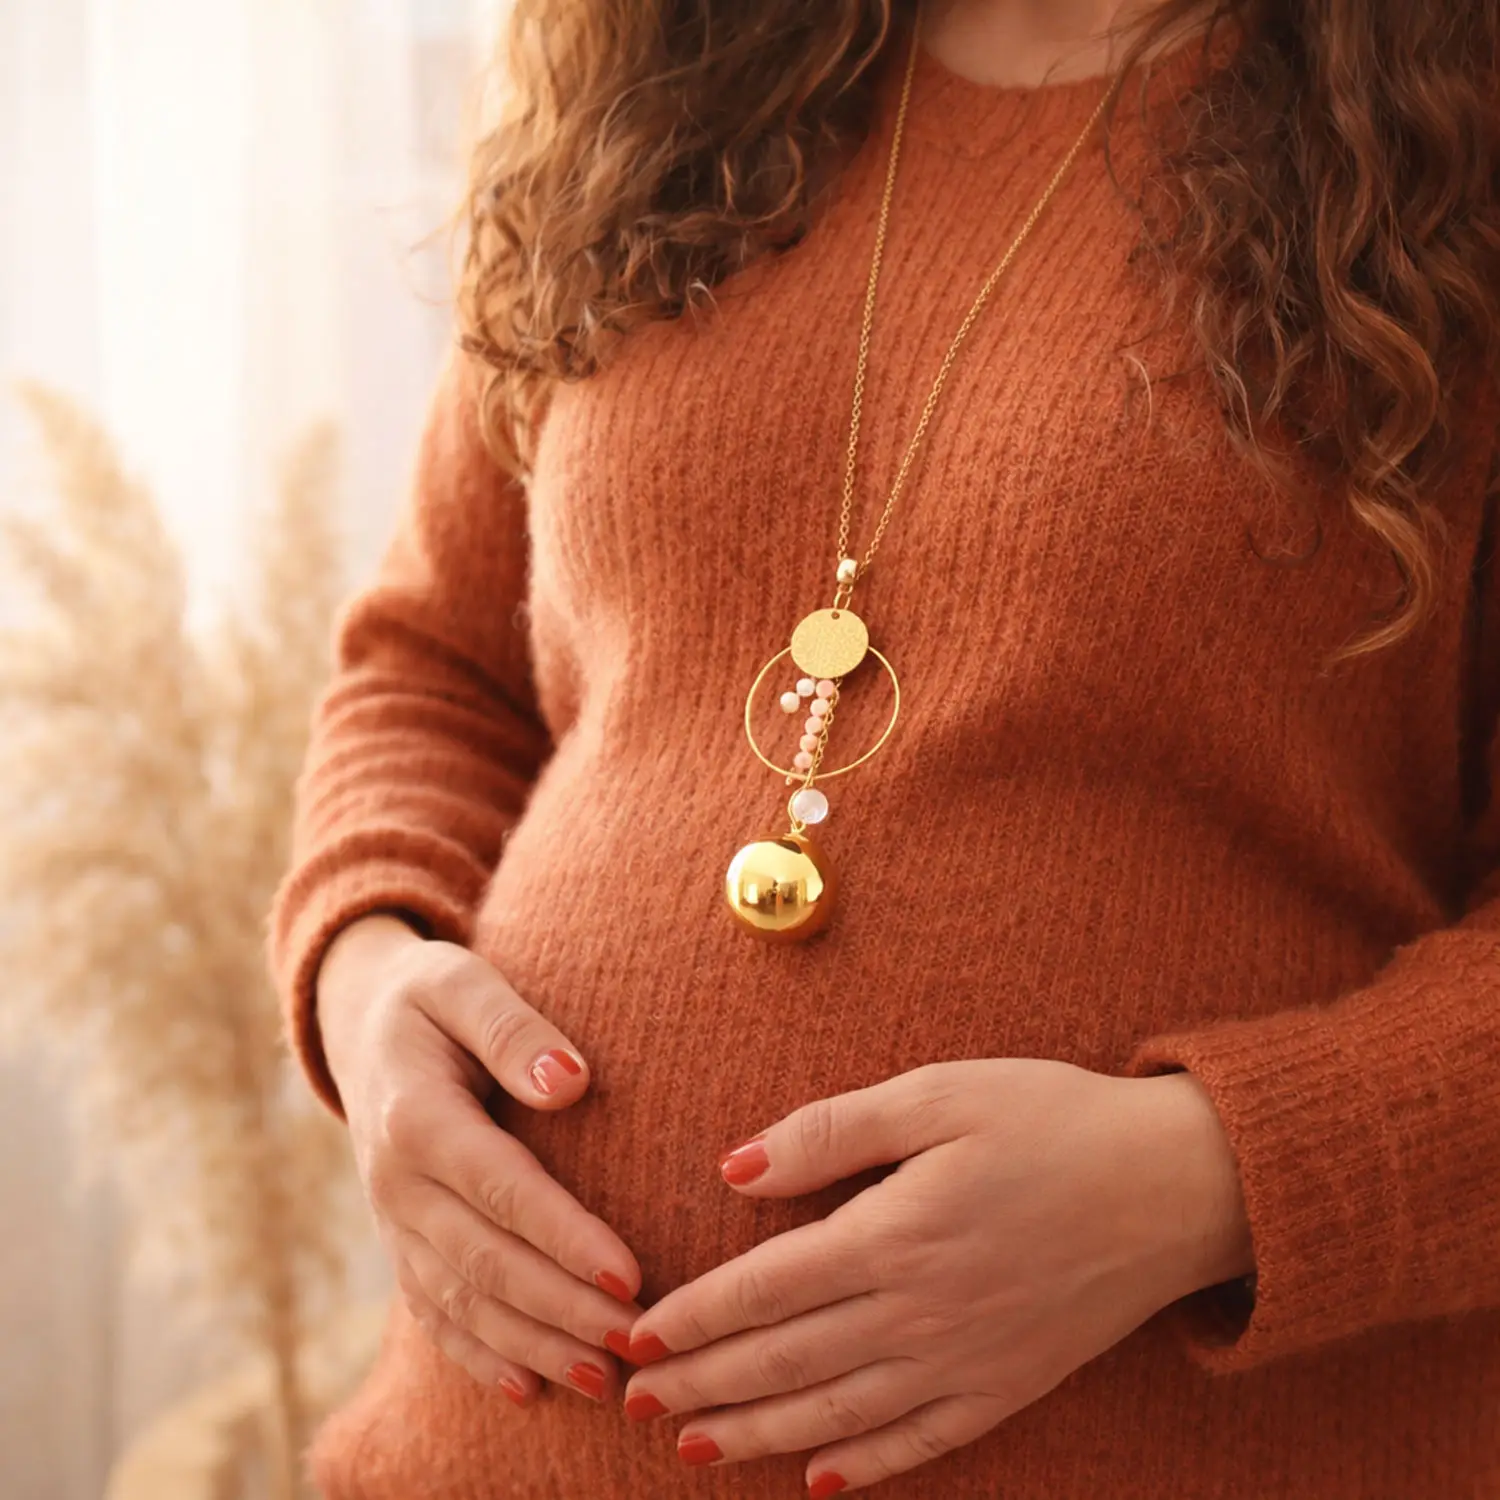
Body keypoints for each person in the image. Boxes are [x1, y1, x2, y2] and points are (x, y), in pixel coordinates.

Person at [269, 0, 1500, 1494]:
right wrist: (367, 979)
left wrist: (1214, 1179)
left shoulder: (1456, 149)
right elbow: (432, 666)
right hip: (491, 1452)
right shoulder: (658, 74)